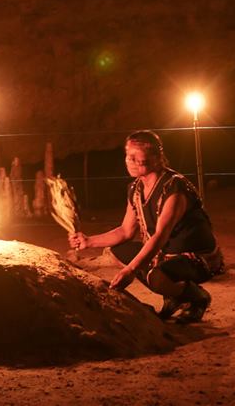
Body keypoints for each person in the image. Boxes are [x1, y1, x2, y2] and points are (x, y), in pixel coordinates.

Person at [69, 130, 223, 323]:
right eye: (128, 155)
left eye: (136, 156)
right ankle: (174, 296)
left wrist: (131, 271)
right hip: (165, 256)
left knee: (156, 276)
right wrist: (88, 241)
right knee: (118, 251)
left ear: (156, 157)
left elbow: (160, 236)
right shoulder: (136, 189)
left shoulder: (173, 188)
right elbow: (125, 231)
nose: (130, 161)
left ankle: (196, 297)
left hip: (196, 258)